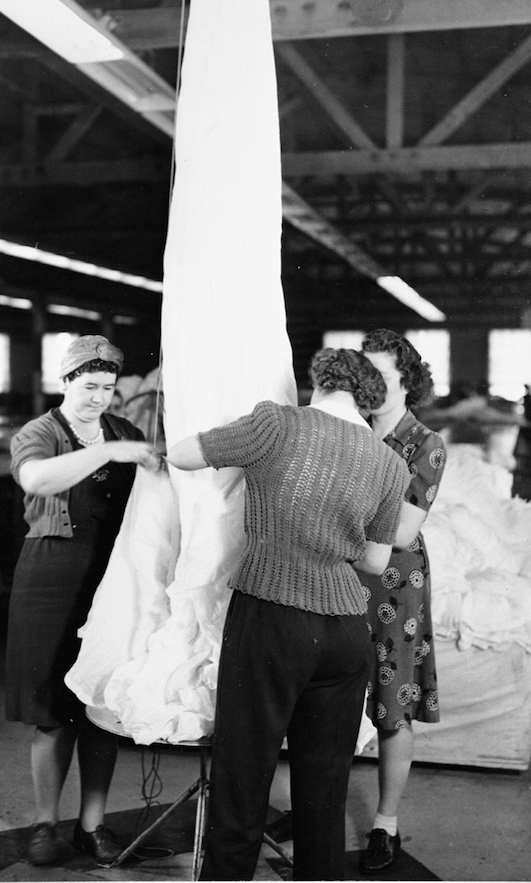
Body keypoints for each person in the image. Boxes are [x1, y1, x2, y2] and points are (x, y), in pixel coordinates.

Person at [167, 348, 410, 881]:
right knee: (324, 792)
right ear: (367, 398)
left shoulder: (278, 423)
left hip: (273, 616)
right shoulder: (390, 463)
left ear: (318, 380)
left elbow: (183, 454)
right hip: (346, 631)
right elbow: (374, 559)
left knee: (243, 775)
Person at [5, 334, 162, 867]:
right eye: (89, 385)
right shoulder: (40, 433)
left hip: (113, 578)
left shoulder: (127, 430)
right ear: (65, 381)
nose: (99, 397)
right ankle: (45, 822)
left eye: (108, 388)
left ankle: (91, 824)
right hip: (50, 578)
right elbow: (36, 478)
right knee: (51, 711)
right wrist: (110, 451)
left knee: (101, 706)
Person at [358, 328, 447, 874]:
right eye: (363, 375)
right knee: (329, 694)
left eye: (383, 376)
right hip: (342, 575)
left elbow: (400, 528)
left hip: (395, 583)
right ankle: (310, 806)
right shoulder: (349, 432)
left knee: (392, 705)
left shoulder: (426, 444)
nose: (370, 386)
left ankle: (385, 825)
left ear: (407, 380)